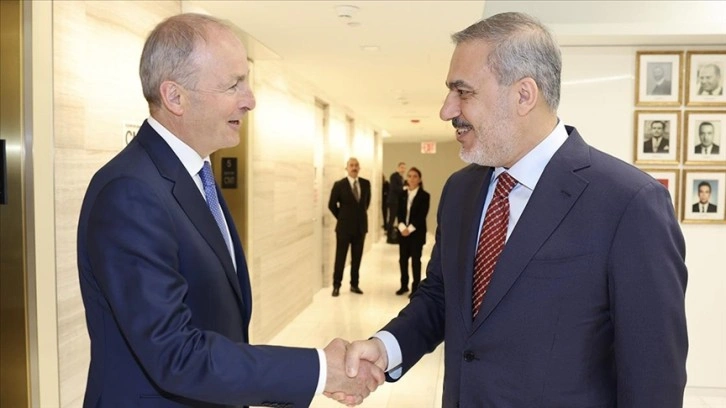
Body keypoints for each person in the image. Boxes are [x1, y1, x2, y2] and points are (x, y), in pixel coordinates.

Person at [340, 12, 687, 407]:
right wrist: (386, 347)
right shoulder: (460, 190)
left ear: (524, 95)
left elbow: (653, 377)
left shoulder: (628, 203)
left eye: (463, 92)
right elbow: (440, 296)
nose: (446, 110)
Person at [76, 14, 382, 408]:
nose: (250, 100)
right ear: (175, 97)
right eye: (233, 85)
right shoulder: (130, 193)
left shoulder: (195, 174)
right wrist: (320, 370)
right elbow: (175, 354)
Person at [328, 157, 371, 297]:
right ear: (346, 168)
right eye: (351, 165)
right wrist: (342, 217)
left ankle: (354, 284)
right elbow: (331, 205)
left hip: (360, 228)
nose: (354, 167)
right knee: (340, 257)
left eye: (356, 165)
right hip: (344, 229)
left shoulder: (365, 184)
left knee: (357, 258)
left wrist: (358, 218)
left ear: (359, 168)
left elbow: (366, 203)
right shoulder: (339, 185)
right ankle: (336, 285)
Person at [395, 167, 430, 298]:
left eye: (415, 176)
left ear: (419, 179)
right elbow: (398, 213)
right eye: (409, 176)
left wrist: (409, 229)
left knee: (416, 260)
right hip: (402, 232)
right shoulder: (402, 194)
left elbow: (421, 216)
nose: (412, 179)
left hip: (416, 234)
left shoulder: (424, 196)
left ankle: (415, 288)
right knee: (402, 260)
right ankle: (403, 285)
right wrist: (401, 227)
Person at [385, 162, 406, 243]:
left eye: (404, 168)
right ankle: (389, 237)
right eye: (401, 167)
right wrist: (403, 188)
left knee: (397, 219)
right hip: (393, 201)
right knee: (392, 219)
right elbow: (394, 187)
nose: (403, 169)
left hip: (397, 201)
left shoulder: (401, 177)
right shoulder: (394, 176)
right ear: (398, 168)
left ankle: (396, 237)